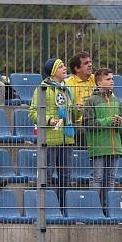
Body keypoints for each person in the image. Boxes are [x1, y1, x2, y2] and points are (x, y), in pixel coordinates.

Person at [29, 58, 79, 207]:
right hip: (49, 139)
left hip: (67, 138)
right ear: (52, 71)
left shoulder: (66, 89)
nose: (65, 68)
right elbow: (33, 113)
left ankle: (64, 208)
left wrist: (77, 110)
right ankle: (48, 207)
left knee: (66, 176)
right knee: (48, 175)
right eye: (61, 66)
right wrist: (50, 120)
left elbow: (72, 115)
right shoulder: (42, 88)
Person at [83, 68, 122, 209]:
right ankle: (94, 209)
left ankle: (109, 210)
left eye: (112, 79)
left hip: (115, 147)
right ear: (99, 82)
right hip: (98, 147)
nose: (112, 81)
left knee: (110, 180)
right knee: (97, 179)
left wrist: (120, 124)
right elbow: (88, 124)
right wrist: (108, 121)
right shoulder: (91, 101)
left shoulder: (117, 100)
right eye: (108, 79)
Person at [64, 51, 94, 146]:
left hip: (95, 121)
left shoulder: (96, 79)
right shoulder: (67, 84)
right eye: (86, 63)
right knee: (83, 132)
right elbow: (65, 107)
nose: (90, 65)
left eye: (90, 62)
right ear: (77, 68)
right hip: (77, 124)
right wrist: (75, 108)